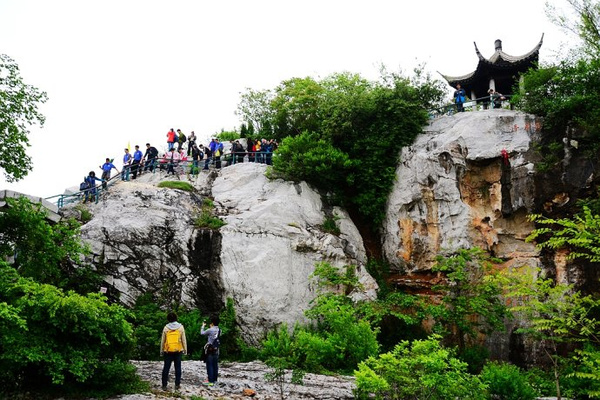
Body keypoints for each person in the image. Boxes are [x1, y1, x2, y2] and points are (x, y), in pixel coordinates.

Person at [160, 312, 187, 391]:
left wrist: (161, 350)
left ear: (168, 319)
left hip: (168, 351)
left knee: (166, 367)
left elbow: (163, 341)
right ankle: (177, 384)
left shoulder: (166, 328)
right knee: (178, 367)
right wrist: (185, 349)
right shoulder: (181, 327)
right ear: (176, 318)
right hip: (178, 350)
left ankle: (164, 385)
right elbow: (183, 340)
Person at [201, 316, 221, 386]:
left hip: (209, 349)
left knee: (209, 365)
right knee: (215, 365)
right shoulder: (219, 330)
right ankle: (215, 380)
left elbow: (202, 333)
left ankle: (210, 381)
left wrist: (203, 326)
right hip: (216, 349)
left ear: (212, 323)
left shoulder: (210, 330)